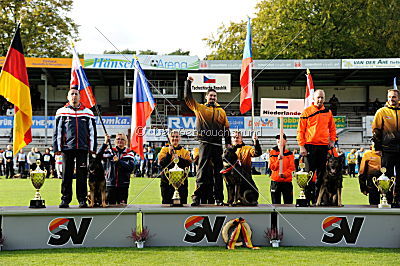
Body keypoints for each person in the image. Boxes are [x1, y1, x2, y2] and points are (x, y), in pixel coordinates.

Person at [185, 76, 231, 206]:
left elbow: (226, 128)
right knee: (202, 171)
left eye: (214, 96)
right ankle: (196, 197)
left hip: (217, 145)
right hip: (204, 144)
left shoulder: (221, 111)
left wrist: (228, 143)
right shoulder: (199, 108)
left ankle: (219, 199)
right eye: (210, 95)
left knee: (218, 173)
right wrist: (188, 83)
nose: (212, 98)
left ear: (216, 98)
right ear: (206, 97)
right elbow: (188, 98)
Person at [53, 88, 97, 208]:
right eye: (71, 94)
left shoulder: (88, 112)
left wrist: (92, 148)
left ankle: (82, 199)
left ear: (80, 97)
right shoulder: (61, 112)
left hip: (82, 148)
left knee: (82, 175)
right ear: (68, 97)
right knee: (66, 175)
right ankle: (65, 199)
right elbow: (57, 131)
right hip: (67, 148)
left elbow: (93, 132)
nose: (74, 96)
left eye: (76, 94)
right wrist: (57, 148)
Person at [297, 89, 336, 205]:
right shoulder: (306, 112)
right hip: (310, 147)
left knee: (322, 176)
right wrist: (302, 146)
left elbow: (332, 128)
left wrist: (332, 140)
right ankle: (306, 199)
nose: (320, 100)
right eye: (318, 97)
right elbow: (300, 130)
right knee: (308, 175)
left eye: (322, 98)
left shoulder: (328, 112)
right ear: (313, 99)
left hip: (323, 147)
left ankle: (318, 201)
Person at [372, 89, 400, 205]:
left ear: (398, 98)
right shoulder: (381, 112)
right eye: (389, 97)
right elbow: (376, 131)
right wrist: (377, 148)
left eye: (393, 97)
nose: (391, 99)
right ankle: (387, 200)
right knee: (386, 176)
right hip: (387, 149)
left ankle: (398, 199)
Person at [98, 133, 134, 205]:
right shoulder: (110, 151)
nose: (120, 141)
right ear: (114, 141)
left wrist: (119, 161)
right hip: (110, 185)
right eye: (118, 139)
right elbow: (98, 156)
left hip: (123, 185)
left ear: (126, 142)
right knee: (110, 208)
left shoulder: (129, 153)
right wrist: (105, 143)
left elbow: (130, 168)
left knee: (122, 208)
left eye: (122, 139)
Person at [158, 130, 192, 205]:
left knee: (182, 204)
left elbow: (188, 163)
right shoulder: (164, 150)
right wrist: (169, 155)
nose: (175, 138)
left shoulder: (185, 152)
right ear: (169, 138)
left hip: (181, 183)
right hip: (167, 183)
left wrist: (179, 159)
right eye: (173, 136)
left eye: (177, 136)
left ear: (180, 138)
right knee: (166, 204)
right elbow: (161, 163)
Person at [230, 131, 262, 204]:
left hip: (245, 180)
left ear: (242, 138)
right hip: (232, 180)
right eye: (234, 137)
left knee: (249, 197)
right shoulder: (228, 150)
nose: (235, 139)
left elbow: (257, 153)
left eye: (237, 137)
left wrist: (255, 141)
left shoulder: (247, 149)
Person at [269, 134, 295, 204]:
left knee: (288, 204)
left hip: (287, 182)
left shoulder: (289, 154)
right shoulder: (272, 153)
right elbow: (272, 167)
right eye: (278, 139)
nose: (279, 140)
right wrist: (278, 160)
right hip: (275, 182)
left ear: (285, 141)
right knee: (275, 204)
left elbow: (292, 167)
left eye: (281, 139)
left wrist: (285, 174)